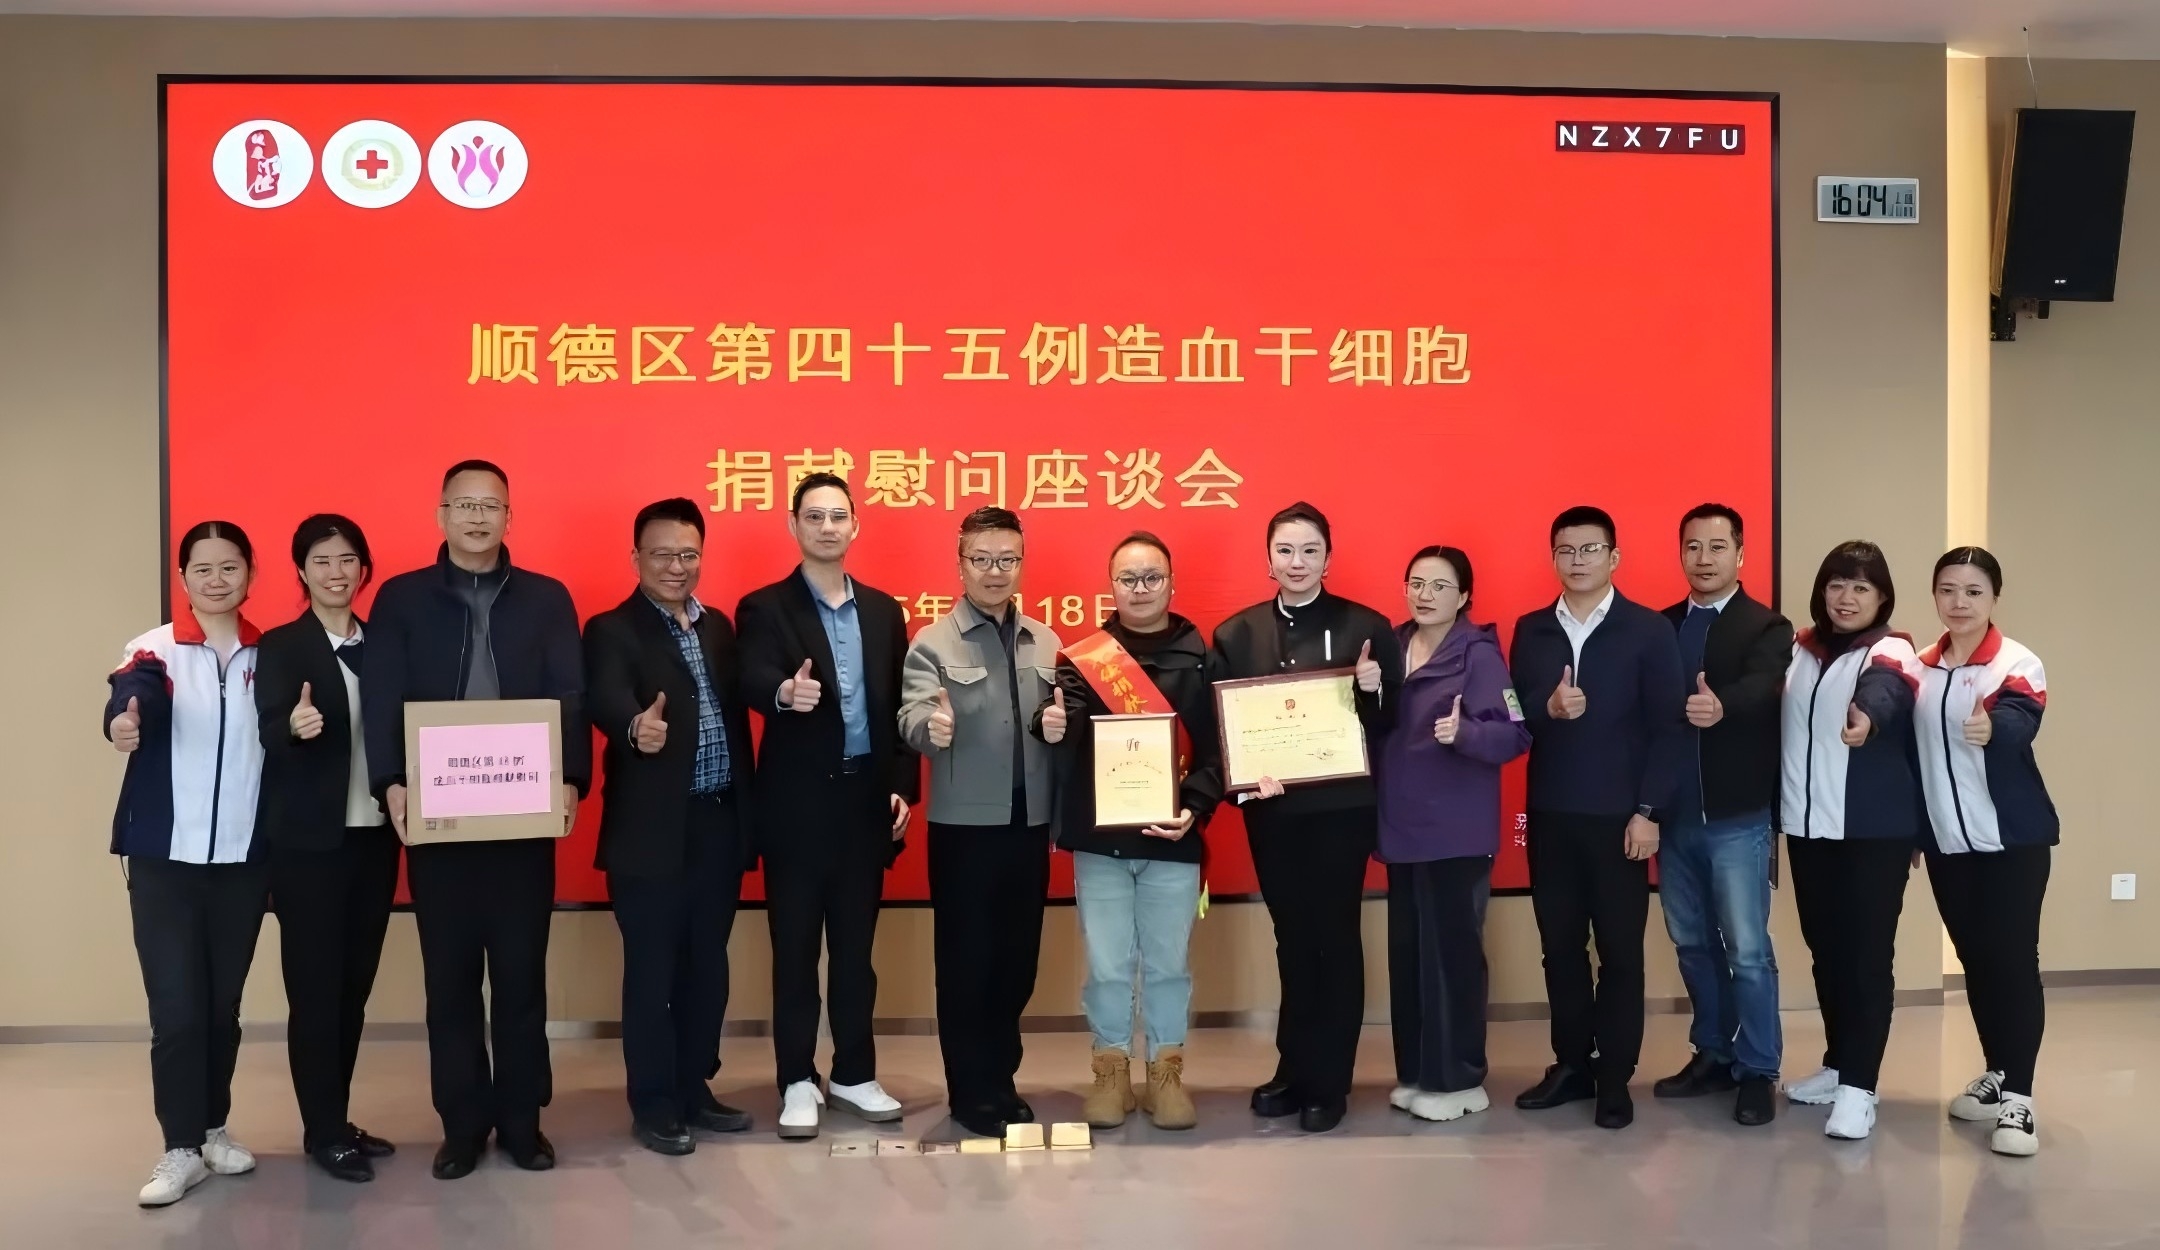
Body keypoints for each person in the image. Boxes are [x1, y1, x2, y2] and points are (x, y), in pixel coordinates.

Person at [361, 460, 590, 1179]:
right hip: (440, 819)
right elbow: (381, 696)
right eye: (464, 505)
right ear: (441, 514)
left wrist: (572, 776)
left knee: (521, 978)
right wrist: (391, 781)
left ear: (509, 516)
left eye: (491, 506)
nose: (477, 517)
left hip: (522, 815)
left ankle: (523, 1123)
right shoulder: (402, 598)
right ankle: (462, 1126)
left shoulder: (546, 598)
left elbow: (571, 694)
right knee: (450, 982)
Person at [736, 474, 917, 1141]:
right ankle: (795, 1078)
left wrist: (902, 785)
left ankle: (854, 1073)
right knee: (794, 950)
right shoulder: (765, 607)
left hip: (864, 801)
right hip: (796, 806)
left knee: (854, 952)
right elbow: (750, 674)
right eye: (814, 516)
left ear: (855, 526)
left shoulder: (883, 611)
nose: (827, 527)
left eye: (838, 516)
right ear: (794, 526)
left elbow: (900, 703)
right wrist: (784, 693)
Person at [1210, 501, 1401, 1134]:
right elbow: (1221, 729)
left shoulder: (1365, 628)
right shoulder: (1236, 634)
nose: (1297, 562)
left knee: (1335, 936)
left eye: (1310, 551)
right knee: (1291, 937)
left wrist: (1372, 688)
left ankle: (1330, 1079)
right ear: (1268, 558)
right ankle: (1293, 1067)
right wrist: (1244, 783)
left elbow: (1391, 722)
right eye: (1286, 550)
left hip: (1341, 812)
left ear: (1328, 557)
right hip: (1273, 813)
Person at [583, 498, 756, 1156]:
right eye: (661, 555)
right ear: (636, 558)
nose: (676, 567)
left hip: (717, 822)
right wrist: (634, 727)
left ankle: (694, 1086)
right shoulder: (611, 629)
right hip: (651, 832)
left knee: (707, 966)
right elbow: (605, 696)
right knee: (652, 971)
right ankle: (653, 1102)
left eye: (688, 554)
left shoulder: (718, 628)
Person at [105, 521, 269, 1207]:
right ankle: (178, 1149)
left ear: (249, 573)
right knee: (176, 1008)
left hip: (242, 860)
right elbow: (131, 694)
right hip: (164, 860)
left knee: (221, 1006)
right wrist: (122, 722)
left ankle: (210, 1129)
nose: (216, 580)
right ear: (183, 578)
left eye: (229, 567)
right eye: (202, 569)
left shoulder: (269, 653)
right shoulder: (155, 648)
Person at [1508, 505, 1684, 1131]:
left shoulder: (1648, 630)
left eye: (1589, 549)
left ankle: (1615, 1077)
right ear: (1553, 557)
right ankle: (1571, 1065)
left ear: (1614, 557)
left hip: (1620, 820)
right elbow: (1512, 712)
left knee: (1619, 953)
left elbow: (1670, 728)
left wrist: (1648, 812)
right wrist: (1547, 706)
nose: (1577, 560)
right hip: (1549, 816)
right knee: (1559, 949)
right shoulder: (1532, 629)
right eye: (1566, 550)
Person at [1040, 532, 1224, 1131]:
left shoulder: (1202, 658)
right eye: (1127, 579)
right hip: (1102, 841)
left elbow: (1221, 749)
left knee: (1168, 965)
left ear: (1171, 583)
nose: (1140, 589)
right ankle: (1111, 1071)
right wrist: (1051, 723)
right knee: (1108, 965)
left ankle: (1166, 1072)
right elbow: (1065, 732)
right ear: (1111, 586)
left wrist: (1193, 807)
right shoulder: (1085, 659)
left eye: (1151, 578)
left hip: (1173, 838)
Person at [898, 507, 1062, 1139]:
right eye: (982, 559)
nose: (996, 572)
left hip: (1029, 825)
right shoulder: (933, 642)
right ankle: (969, 1091)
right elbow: (912, 715)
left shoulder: (1046, 642)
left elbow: (1061, 720)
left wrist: (1061, 726)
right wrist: (930, 727)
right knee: (967, 963)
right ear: (961, 563)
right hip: (964, 831)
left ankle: (1001, 1080)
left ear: (1021, 563)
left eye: (1007, 560)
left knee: (1018, 962)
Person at [253, 514, 400, 1182]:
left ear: (363, 568)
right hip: (309, 846)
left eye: (347, 561)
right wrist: (294, 724)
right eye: (321, 561)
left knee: (353, 989)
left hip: (375, 839)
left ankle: (336, 1117)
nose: (336, 573)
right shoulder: (283, 646)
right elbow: (268, 728)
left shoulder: (385, 644)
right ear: (301, 572)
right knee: (315, 992)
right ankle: (322, 1130)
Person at [1374, 546, 1528, 1124]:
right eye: (1416, 583)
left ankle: (1458, 1078)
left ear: (1463, 595)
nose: (1425, 595)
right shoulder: (1388, 648)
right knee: (1410, 957)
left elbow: (1516, 734)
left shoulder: (1478, 654)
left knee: (1453, 957)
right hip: (1401, 827)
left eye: (1440, 586)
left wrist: (1465, 733)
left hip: (1457, 832)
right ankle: (1417, 1072)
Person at [1651, 504, 1793, 1127]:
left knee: (1748, 951)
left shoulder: (1767, 625)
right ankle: (1713, 1051)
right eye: (1692, 547)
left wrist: (1722, 706)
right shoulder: (1662, 626)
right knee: (1691, 944)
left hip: (1737, 816)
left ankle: (1758, 1069)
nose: (1703, 559)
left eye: (1716, 547)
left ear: (1740, 554)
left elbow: (1766, 685)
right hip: (1673, 817)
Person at [1777, 540, 1924, 1142]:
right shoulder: (1799, 650)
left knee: (1865, 958)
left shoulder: (1892, 650)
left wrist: (1867, 716)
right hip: (1808, 825)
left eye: (1861, 587)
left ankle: (1861, 1088)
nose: (1847, 597)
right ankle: (1839, 1065)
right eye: (1837, 584)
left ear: (1881, 597)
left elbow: (1887, 690)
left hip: (1871, 830)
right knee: (1827, 951)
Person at [1914, 547, 2057, 1157]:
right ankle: (1997, 1071)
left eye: (1973, 591)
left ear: (1994, 597)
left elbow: (2023, 716)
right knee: (1976, 959)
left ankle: (2020, 1097)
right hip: (1948, 844)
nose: (1959, 602)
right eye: (1948, 590)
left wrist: (1996, 728)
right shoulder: (1919, 666)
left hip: (2011, 842)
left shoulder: (2016, 662)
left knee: (2012, 960)